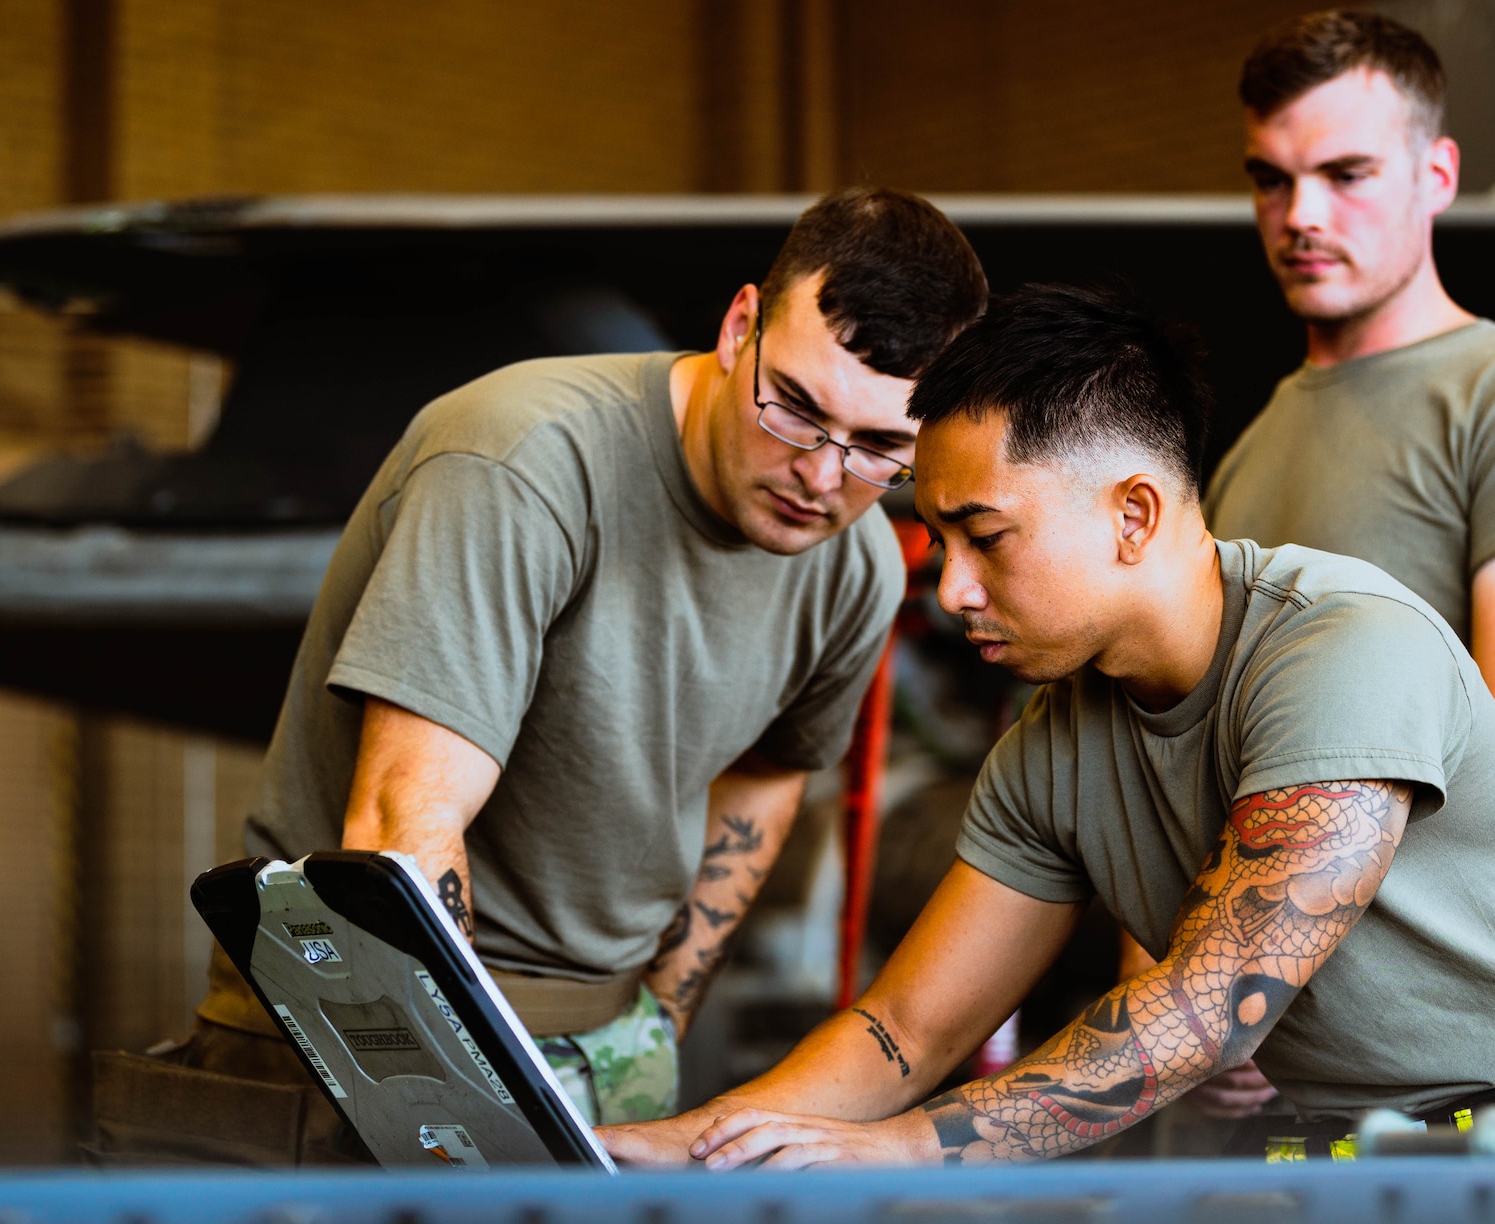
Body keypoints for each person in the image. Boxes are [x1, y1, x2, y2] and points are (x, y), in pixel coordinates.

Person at [601, 283, 1495, 1170]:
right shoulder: (1054, 742)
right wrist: (689, 1144)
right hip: (1366, 1163)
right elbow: (906, 1030)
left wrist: (897, 1150)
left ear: (1132, 515)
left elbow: (1212, 1007)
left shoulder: (1341, 646)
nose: (953, 589)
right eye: (938, 541)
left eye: (983, 537)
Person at [186, 188, 989, 1136]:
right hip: (357, 1021)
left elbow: (769, 772)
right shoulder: (522, 461)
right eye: (795, 411)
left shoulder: (852, 564)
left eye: (880, 448)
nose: (820, 475)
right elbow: (403, 822)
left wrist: (662, 1016)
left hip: (612, 1047)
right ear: (740, 329)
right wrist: (464, 1104)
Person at [1185, 11, 1495, 1124]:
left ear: (1434, 173)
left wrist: (1245, 961)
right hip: (1304, 1086)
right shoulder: (1249, 449)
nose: (1299, 216)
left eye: (1344, 174)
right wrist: (1205, 990)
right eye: (1270, 179)